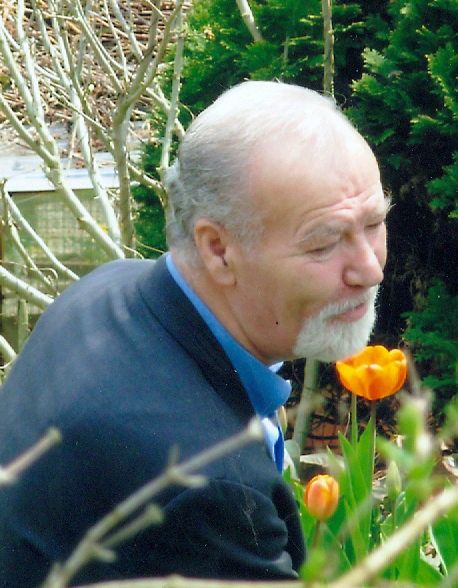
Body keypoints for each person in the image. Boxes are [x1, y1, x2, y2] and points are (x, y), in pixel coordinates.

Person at [0, 81, 388, 586]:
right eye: (324, 243)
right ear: (218, 250)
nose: (370, 269)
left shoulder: (105, 290)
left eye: (374, 223)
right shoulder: (208, 485)